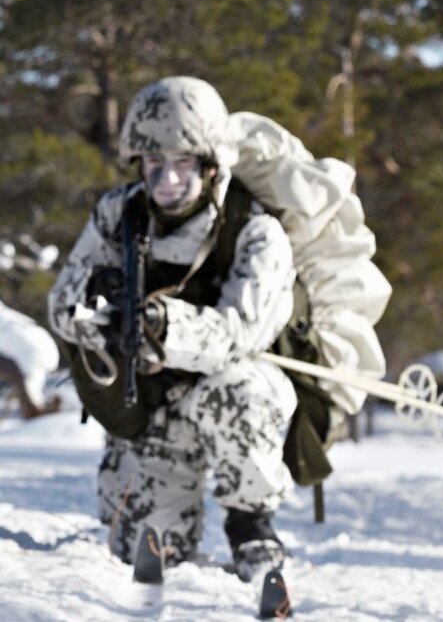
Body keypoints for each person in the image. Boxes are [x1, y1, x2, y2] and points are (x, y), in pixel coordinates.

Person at [47, 76, 298, 582]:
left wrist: (163, 325)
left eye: (182, 164)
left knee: (246, 391)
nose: (166, 180)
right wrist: (102, 322)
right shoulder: (119, 214)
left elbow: (240, 331)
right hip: (154, 403)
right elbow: (62, 306)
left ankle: (252, 525)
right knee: (142, 553)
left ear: (209, 165)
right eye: (153, 164)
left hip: (222, 392)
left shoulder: (253, 229)